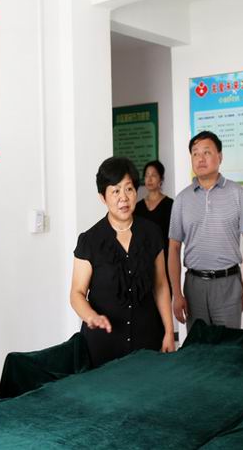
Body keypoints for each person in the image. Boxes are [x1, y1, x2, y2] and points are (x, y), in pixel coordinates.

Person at [70, 157, 175, 368]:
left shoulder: (152, 233)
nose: (123, 198)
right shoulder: (90, 240)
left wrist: (169, 331)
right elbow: (77, 293)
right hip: (103, 344)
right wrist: (91, 316)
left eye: (129, 189)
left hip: (147, 340)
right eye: (115, 191)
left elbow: (161, 285)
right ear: (103, 197)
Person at [169, 131, 243, 331]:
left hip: (228, 284)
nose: (200, 158)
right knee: (198, 346)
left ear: (220, 156)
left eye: (207, 152)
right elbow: (173, 247)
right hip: (194, 286)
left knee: (228, 346)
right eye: (195, 154)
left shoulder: (237, 193)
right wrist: (177, 294)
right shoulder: (182, 199)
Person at [134, 160, 174, 289]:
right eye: (147, 175)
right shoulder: (137, 207)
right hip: (142, 261)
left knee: (163, 292)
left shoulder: (170, 204)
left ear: (161, 179)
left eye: (153, 175)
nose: (149, 179)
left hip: (164, 258)